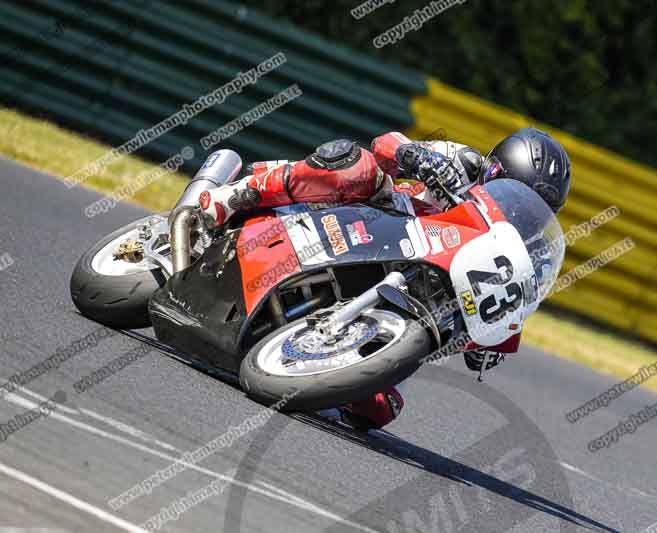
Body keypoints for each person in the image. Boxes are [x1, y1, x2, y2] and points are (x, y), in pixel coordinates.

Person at [199, 128, 571, 429]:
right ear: (495, 172)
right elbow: (387, 144)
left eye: (534, 206)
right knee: (358, 167)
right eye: (516, 193)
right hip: (378, 219)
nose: (518, 210)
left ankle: (306, 350)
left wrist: (494, 337)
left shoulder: (525, 247)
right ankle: (234, 196)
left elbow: (504, 310)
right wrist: (418, 157)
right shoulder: (461, 160)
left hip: (415, 280)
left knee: (379, 410)